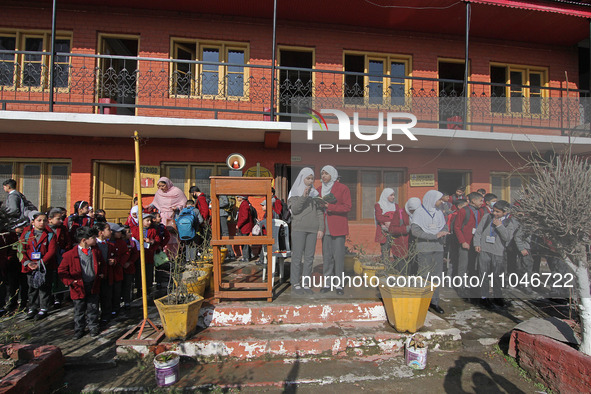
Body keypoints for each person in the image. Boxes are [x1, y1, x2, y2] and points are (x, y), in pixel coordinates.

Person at [58, 226, 104, 339]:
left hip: (93, 283)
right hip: (78, 286)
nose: (95, 239)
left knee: (93, 307)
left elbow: (102, 264)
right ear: (84, 240)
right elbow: (62, 271)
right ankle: (79, 329)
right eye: (93, 238)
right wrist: (70, 282)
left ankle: (93, 327)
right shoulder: (70, 255)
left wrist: (102, 273)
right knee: (79, 309)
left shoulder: (95, 252)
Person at [411, 190, 450, 314]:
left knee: (437, 276)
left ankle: (435, 302)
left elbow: (444, 226)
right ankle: (422, 301)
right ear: (432, 199)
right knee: (424, 276)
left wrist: (443, 232)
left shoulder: (438, 212)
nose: (440, 202)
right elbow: (416, 231)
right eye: (439, 200)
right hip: (424, 248)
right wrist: (434, 236)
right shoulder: (419, 212)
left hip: (438, 248)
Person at [473, 200, 516, 308]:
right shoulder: (487, 217)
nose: (495, 213)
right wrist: (477, 243)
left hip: (498, 252)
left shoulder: (510, 222)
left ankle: (497, 297)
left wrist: (500, 226)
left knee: (497, 276)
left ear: (505, 213)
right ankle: (484, 297)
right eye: (494, 211)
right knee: (483, 275)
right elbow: (478, 231)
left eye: (498, 212)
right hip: (484, 250)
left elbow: (507, 238)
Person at [288, 168, 323, 295]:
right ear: (302, 178)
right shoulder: (294, 193)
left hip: (312, 229)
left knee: (309, 258)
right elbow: (295, 210)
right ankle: (295, 282)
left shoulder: (315, 193)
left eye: (312, 178)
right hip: (299, 229)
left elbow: (319, 212)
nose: (310, 181)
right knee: (297, 257)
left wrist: (320, 228)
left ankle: (306, 283)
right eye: (308, 178)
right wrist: (304, 196)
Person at [317, 165, 352, 295]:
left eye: (326, 173)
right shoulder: (319, 189)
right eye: (322, 173)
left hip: (338, 227)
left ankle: (338, 285)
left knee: (338, 257)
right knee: (327, 257)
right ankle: (327, 283)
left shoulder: (342, 188)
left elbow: (347, 207)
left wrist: (329, 206)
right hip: (324, 227)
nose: (323, 176)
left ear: (332, 174)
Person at [20, 211, 58, 321]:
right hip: (30, 265)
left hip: (45, 266)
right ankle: (32, 307)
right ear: (33, 222)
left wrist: (40, 263)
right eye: (39, 220)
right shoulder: (27, 234)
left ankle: (44, 308)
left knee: (44, 287)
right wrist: (28, 263)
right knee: (32, 287)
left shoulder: (50, 235)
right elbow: (21, 250)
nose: (42, 223)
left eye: (44, 220)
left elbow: (51, 251)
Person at [453, 192, 485, 298]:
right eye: (480, 200)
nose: (482, 202)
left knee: (473, 266)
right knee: (463, 266)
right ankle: (460, 288)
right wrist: (462, 241)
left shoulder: (481, 211)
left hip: (476, 243)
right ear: (473, 200)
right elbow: (457, 227)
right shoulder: (464, 211)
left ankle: (473, 287)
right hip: (466, 243)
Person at [47, 207, 71, 309]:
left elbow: (68, 241)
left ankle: (58, 298)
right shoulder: (45, 229)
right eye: (58, 219)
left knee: (60, 276)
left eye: (62, 218)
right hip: (49, 257)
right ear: (50, 219)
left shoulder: (63, 229)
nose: (61, 221)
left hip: (60, 255)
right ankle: (49, 299)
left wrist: (65, 249)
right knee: (50, 278)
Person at [94, 222, 118, 323]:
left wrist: (114, 261)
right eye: (108, 229)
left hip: (108, 274)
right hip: (96, 276)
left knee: (107, 296)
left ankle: (106, 316)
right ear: (101, 232)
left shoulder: (110, 245)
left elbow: (115, 256)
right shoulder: (94, 245)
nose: (111, 232)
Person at [131, 213, 160, 296]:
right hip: (138, 254)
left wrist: (152, 241)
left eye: (150, 220)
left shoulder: (153, 230)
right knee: (139, 271)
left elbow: (157, 240)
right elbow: (135, 237)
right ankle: (139, 287)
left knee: (148, 270)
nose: (149, 222)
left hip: (149, 254)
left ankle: (147, 287)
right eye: (147, 220)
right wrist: (142, 239)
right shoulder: (136, 229)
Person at [389, 197, 420, 261]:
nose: (413, 212)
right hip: (402, 248)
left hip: (416, 248)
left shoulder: (421, 214)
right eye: (412, 210)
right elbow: (392, 229)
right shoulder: (400, 213)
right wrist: (406, 229)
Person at [374, 188, 398, 262]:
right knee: (385, 251)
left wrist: (391, 222)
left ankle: (396, 269)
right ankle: (385, 269)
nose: (393, 197)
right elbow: (379, 217)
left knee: (397, 251)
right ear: (386, 195)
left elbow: (398, 217)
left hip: (395, 232)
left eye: (394, 195)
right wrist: (388, 220)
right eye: (391, 195)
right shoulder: (379, 205)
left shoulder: (396, 206)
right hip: (384, 232)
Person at [120, 225, 139, 310]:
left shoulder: (132, 243)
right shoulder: (119, 243)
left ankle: (127, 301)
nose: (130, 234)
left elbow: (135, 254)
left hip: (129, 268)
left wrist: (130, 262)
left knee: (128, 285)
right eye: (128, 232)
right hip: (119, 269)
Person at [235, 196, 254, 262]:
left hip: (245, 226)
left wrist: (238, 224)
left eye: (238, 197)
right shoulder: (245, 203)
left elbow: (245, 217)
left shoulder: (244, 204)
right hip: (245, 226)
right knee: (244, 242)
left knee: (244, 242)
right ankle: (248, 255)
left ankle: (246, 257)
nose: (237, 198)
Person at [218, 195, 235, 259]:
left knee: (225, 233)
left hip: (222, 214)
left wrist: (216, 204)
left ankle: (230, 253)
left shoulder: (222, 193)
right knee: (222, 234)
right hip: (220, 214)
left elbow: (226, 202)